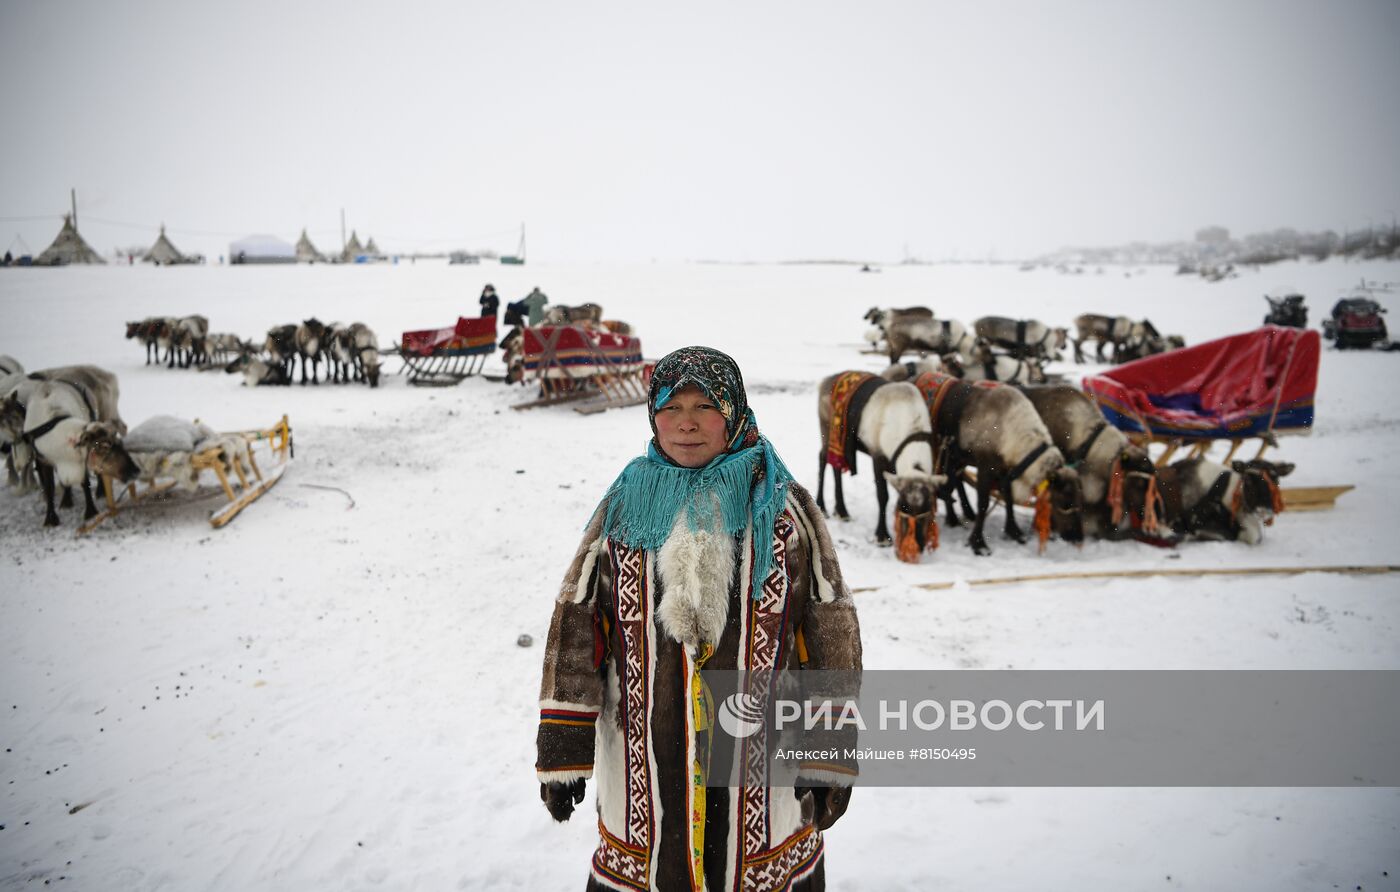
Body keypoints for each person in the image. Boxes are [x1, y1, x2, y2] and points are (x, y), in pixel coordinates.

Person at [535, 346, 862, 891]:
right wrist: (564, 744)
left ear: (732, 414)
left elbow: (829, 628)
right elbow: (577, 623)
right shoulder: (625, 506)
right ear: (652, 416)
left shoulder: (783, 509)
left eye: (704, 406)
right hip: (644, 773)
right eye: (670, 406)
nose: (686, 422)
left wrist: (829, 751)